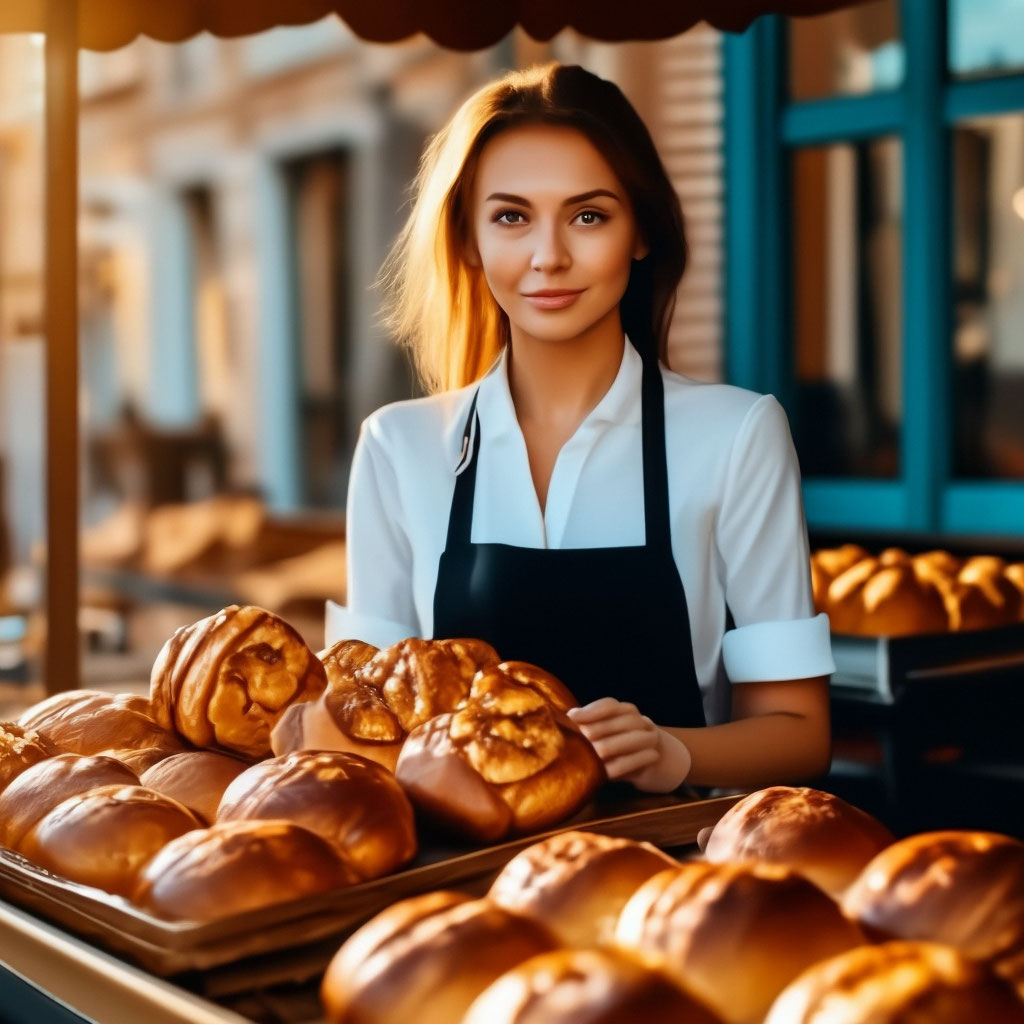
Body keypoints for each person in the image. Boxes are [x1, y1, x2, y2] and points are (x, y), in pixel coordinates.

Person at [327, 63, 835, 794]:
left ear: (641, 233)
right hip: (462, 889)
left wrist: (676, 753)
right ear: (468, 240)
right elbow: (360, 733)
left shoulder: (737, 434)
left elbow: (799, 732)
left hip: (670, 881)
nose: (549, 256)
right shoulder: (396, 449)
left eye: (588, 215)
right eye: (511, 217)